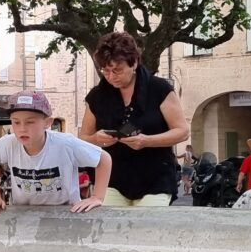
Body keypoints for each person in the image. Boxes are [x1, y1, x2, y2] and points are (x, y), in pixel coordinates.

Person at [79, 32, 189, 206]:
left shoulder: (159, 89)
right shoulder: (97, 96)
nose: (111, 76)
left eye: (117, 70)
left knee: (147, 227)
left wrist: (147, 141)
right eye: (105, 70)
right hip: (111, 179)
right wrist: (96, 139)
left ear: (134, 63)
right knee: (110, 229)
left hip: (155, 178)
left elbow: (182, 132)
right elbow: (83, 138)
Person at [0, 91, 112, 215]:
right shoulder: (8, 144)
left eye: (30, 122)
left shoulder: (65, 143)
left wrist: (97, 197)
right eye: (16, 122)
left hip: (66, 213)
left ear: (48, 122)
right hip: (23, 214)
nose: (22, 128)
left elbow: (103, 159)